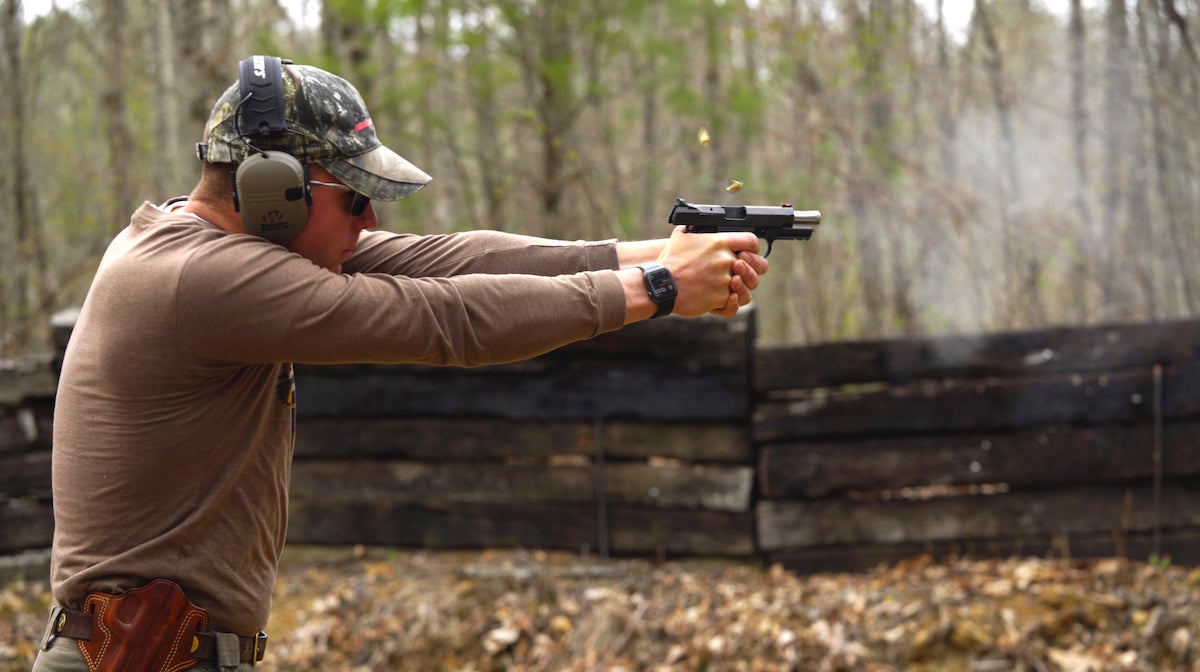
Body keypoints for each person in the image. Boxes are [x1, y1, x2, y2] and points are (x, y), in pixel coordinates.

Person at [32, 56, 767, 672]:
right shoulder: (207, 280)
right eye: (353, 197)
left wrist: (659, 252)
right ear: (274, 192)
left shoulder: (219, 251)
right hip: (138, 657)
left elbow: (453, 259)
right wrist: (662, 289)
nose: (369, 220)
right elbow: (445, 319)